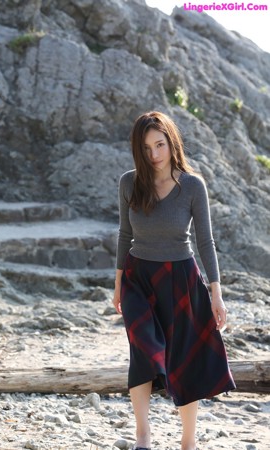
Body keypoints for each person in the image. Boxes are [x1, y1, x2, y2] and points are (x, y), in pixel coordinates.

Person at [112, 111, 236, 450]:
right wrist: (118, 282)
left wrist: (216, 294)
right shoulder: (129, 183)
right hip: (139, 278)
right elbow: (125, 234)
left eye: (160, 145)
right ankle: (143, 435)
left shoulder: (192, 186)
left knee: (184, 357)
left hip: (182, 278)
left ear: (171, 142)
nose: (154, 154)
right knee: (142, 351)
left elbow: (205, 242)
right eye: (146, 147)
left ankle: (188, 440)